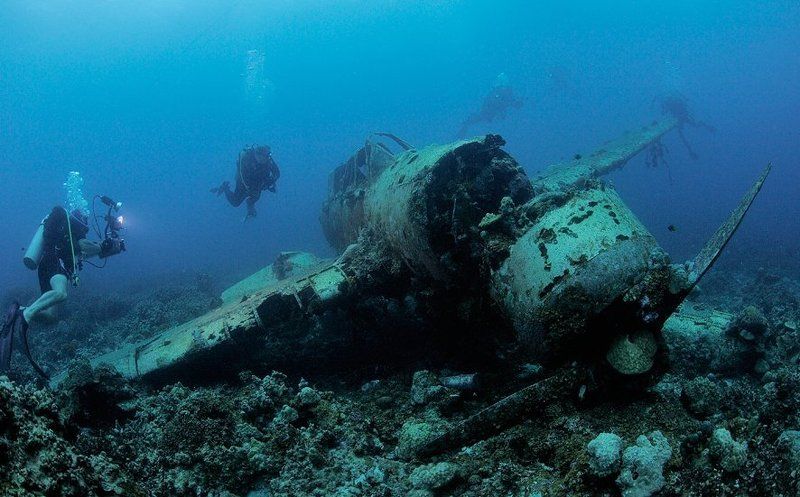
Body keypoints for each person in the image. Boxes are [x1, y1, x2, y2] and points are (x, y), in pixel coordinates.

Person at [0, 206, 124, 378]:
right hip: (55, 262)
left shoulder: (67, 235)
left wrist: (106, 248)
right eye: (86, 218)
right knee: (61, 293)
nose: (87, 222)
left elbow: (83, 254)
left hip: (47, 265)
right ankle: (26, 315)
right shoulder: (76, 224)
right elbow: (84, 246)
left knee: (51, 317)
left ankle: (19, 310)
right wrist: (103, 245)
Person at [211, 145, 280, 220]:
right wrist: (251, 188)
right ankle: (225, 187)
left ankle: (250, 204)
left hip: (259, 180)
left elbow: (277, 173)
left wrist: (270, 182)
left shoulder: (268, 159)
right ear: (257, 155)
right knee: (235, 202)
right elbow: (243, 177)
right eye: (263, 157)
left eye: (267, 157)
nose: (265, 160)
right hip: (243, 181)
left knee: (256, 195)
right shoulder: (247, 159)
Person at [457, 73, 523, 138]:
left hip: (494, 111)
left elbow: (509, 101)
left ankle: (465, 125)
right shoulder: (498, 91)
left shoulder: (507, 91)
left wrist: (515, 103)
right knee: (481, 116)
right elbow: (496, 102)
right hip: (490, 110)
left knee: (481, 117)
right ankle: (465, 125)